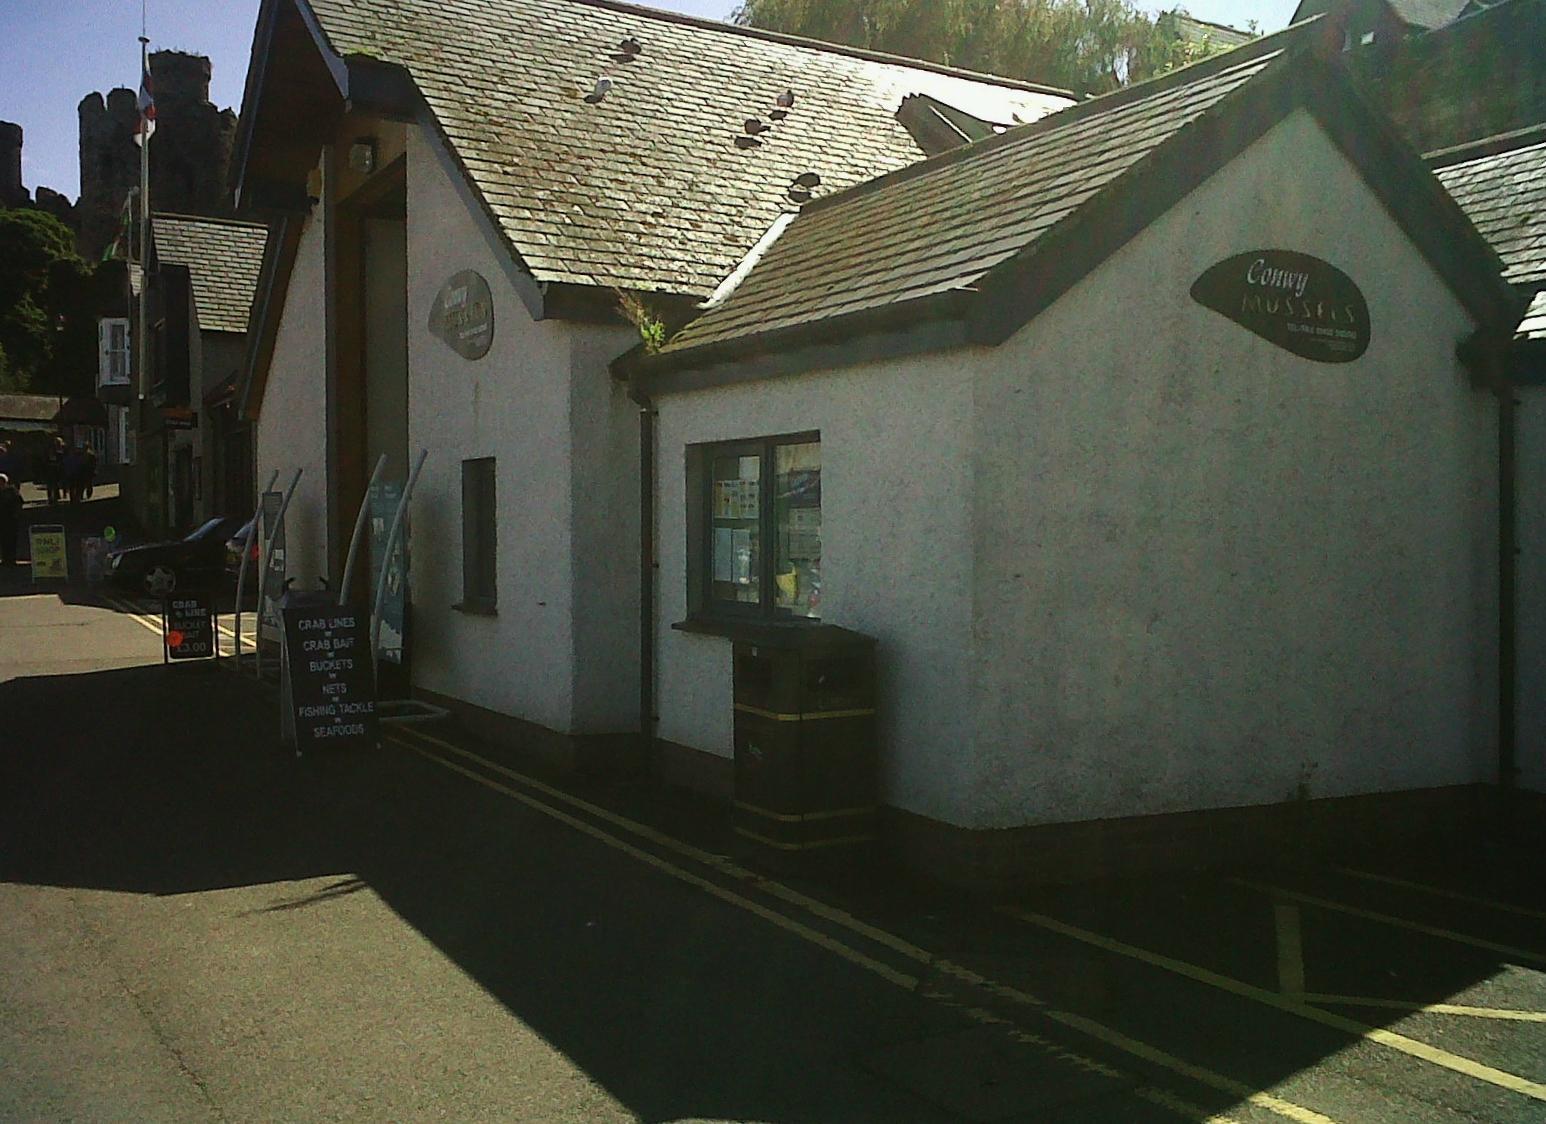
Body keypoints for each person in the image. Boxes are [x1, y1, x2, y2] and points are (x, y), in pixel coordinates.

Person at [0, 473, 22, 566]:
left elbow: (18, 502)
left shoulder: (12, 491)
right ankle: (5, 558)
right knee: (3, 540)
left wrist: (16, 514)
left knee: (11, 540)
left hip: (10, 520)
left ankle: (11, 559)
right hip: (1, 520)